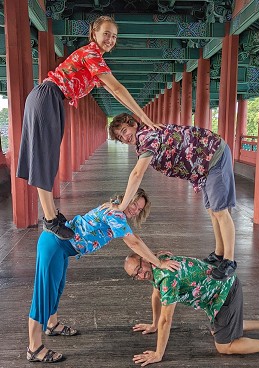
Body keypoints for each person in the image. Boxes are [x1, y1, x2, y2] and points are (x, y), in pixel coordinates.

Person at [17, 16, 161, 240]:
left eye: (114, 36)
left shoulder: (95, 61)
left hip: (51, 99)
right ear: (94, 33)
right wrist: (143, 116)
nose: (110, 39)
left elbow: (114, 90)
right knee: (44, 158)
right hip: (47, 97)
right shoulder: (91, 53)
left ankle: (52, 215)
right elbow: (117, 88)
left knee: (48, 157)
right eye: (106, 34)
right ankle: (50, 220)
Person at [26, 189, 179, 363]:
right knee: (44, 295)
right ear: (127, 198)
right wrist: (159, 264)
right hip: (54, 245)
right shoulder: (115, 213)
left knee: (56, 288)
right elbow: (133, 242)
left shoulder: (116, 212)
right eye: (134, 204)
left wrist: (154, 255)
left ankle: (52, 325)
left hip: (61, 248)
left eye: (139, 209)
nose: (135, 210)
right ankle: (34, 347)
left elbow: (135, 237)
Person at [106, 113, 236, 280]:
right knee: (212, 210)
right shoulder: (143, 138)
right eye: (120, 136)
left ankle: (229, 261)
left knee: (220, 211)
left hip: (213, 156)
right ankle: (219, 254)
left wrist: (122, 206)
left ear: (133, 124)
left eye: (125, 130)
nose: (124, 137)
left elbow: (137, 174)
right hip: (202, 166)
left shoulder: (146, 137)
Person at [124, 253, 259, 367]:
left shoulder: (167, 278)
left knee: (224, 346)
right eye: (135, 276)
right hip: (217, 295)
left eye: (139, 269)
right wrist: (153, 324)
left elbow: (166, 320)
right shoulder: (158, 262)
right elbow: (155, 295)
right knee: (218, 332)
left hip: (225, 292)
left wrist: (158, 354)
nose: (140, 275)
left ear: (143, 259)